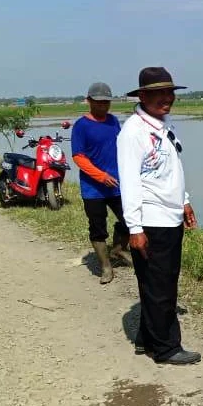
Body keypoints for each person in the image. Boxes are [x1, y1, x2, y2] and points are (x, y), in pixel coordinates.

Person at [117, 67, 201, 365]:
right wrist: (135, 227)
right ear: (142, 96)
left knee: (158, 283)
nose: (166, 99)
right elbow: (129, 182)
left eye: (170, 93)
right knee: (159, 287)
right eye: (158, 94)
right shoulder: (134, 132)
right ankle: (166, 348)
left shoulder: (163, 126)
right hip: (151, 221)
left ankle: (146, 338)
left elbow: (170, 170)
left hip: (170, 216)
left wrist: (185, 201)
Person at [71, 82, 130, 284]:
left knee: (130, 219)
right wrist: (100, 176)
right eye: (98, 102)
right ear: (89, 101)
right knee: (97, 228)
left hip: (117, 185)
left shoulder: (113, 121)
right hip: (93, 188)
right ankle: (106, 266)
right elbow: (78, 157)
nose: (103, 106)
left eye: (106, 102)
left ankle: (119, 250)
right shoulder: (81, 126)